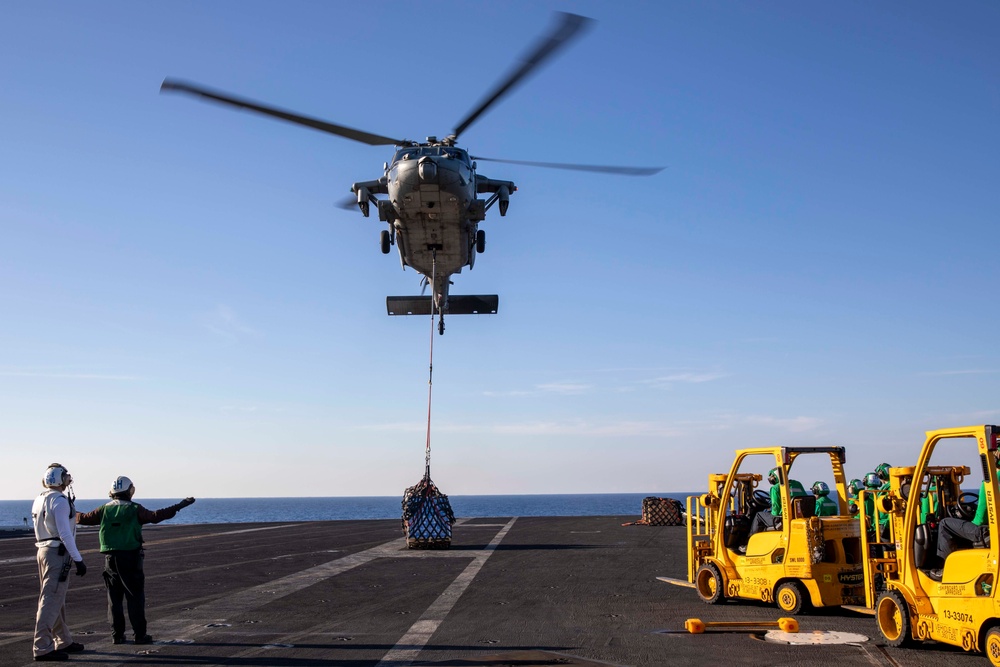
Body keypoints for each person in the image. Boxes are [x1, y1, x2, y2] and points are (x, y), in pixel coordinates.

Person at [76, 476, 195, 645]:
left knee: (114, 600)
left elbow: (82, 518)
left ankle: (117, 635)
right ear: (130, 491)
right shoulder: (134, 509)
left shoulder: (104, 509)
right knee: (135, 598)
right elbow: (156, 516)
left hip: (110, 560)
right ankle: (140, 635)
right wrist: (179, 506)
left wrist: (69, 510)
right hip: (131, 560)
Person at [31, 463, 87, 662]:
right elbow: (64, 533)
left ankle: (62, 639)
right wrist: (78, 559)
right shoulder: (60, 500)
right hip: (56, 553)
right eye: (66, 477)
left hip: (43, 550)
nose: (68, 480)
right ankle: (42, 646)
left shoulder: (39, 499)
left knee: (55, 599)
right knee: (50, 600)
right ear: (60, 479)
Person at [932, 450, 1000, 578]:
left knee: (945, 524)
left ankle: (946, 570)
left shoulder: (990, 483)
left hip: (988, 532)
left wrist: (969, 523)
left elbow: (980, 519)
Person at [750, 467, 809, 534]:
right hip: (797, 516)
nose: (770, 479)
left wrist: (770, 511)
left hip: (781, 519)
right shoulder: (798, 484)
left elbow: (776, 510)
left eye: (771, 477)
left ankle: (750, 539)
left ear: (775, 477)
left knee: (758, 515)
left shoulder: (775, 488)